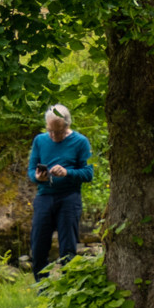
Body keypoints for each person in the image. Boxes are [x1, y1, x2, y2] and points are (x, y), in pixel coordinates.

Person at [26, 105, 93, 280]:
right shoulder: (40, 141)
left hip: (69, 197)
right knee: (39, 243)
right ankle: (42, 287)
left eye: (59, 131)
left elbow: (88, 173)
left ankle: (68, 288)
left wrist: (67, 172)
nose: (54, 136)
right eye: (50, 131)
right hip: (44, 196)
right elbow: (31, 170)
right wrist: (37, 177)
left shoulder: (80, 142)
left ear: (67, 126)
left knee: (68, 247)